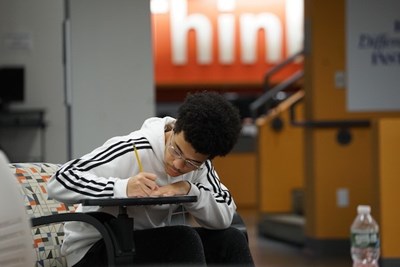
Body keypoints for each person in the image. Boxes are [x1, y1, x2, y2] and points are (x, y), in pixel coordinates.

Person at [47, 91, 254, 267]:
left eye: (191, 163)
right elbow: (60, 179)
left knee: (231, 240)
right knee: (183, 240)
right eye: (176, 150)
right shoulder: (132, 147)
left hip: (143, 245)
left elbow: (225, 216)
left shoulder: (201, 165)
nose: (178, 165)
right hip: (93, 249)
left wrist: (189, 190)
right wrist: (122, 187)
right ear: (174, 128)